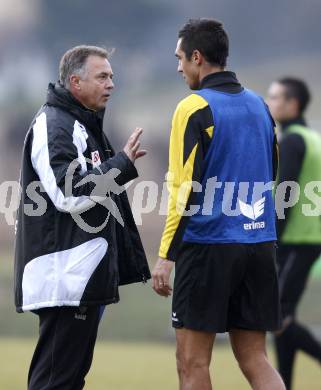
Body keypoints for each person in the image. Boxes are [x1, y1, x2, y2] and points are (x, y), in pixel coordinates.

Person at [152, 19, 285, 390]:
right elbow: (272, 172)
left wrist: (166, 256)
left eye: (180, 58)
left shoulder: (193, 107)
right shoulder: (259, 105)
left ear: (197, 57)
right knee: (255, 359)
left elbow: (183, 189)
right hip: (258, 247)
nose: (178, 67)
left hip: (208, 247)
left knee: (191, 363)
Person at [14, 45, 151, 389]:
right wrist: (120, 165)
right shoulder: (55, 123)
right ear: (75, 82)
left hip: (81, 274)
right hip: (65, 276)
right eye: (102, 76)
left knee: (69, 379)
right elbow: (68, 193)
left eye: (112, 76)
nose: (111, 84)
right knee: (55, 381)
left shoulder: (81, 123)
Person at [267, 77, 321, 389]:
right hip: (309, 237)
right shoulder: (311, 138)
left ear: (293, 104)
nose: (271, 103)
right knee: (282, 316)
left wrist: (271, 241)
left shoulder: (292, 141)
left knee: (278, 316)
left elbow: (284, 196)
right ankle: (283, 384)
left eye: (276, 98)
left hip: (295, 239)